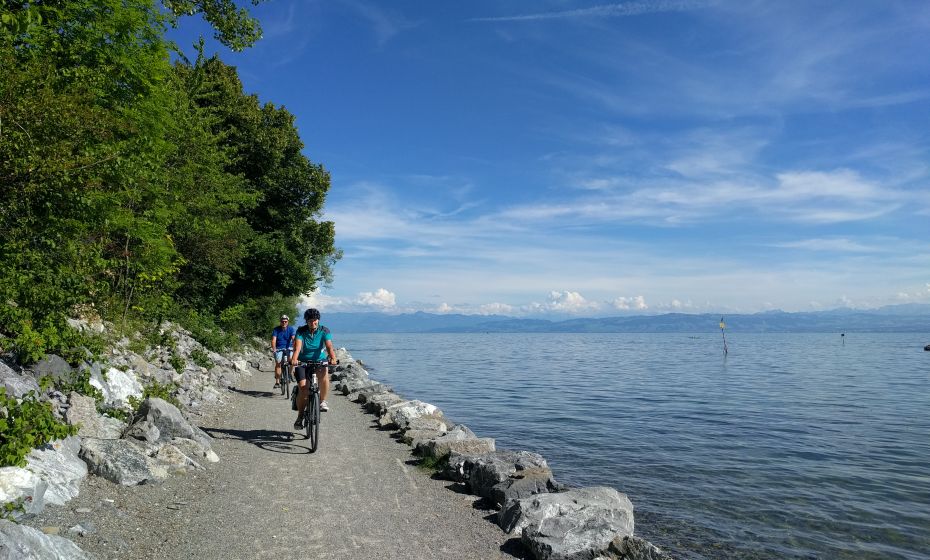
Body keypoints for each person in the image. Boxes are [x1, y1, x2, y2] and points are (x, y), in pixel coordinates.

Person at [291, 308, 337, 428]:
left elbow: (329, 346)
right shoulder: (301, 331)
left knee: (324, 373)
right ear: (306, 321)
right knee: (303, 388)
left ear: (318, 320)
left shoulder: (324, 330)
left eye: (315, 320)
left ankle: (322, 401)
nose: (313, 323)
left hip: (319, 361)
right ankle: (300, 416)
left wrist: (332, 357)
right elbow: (297, 347)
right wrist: (294, 360)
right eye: (310, 320)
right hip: (303, 362)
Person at [270, 314, 296, 390]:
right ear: (280, 322)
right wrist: (274, 349)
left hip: (289, 348)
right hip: (279, 348)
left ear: (288, 322)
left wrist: (295, 346)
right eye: (282, 321)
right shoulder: (276, 329)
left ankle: (290, 373)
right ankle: (277, 381)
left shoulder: (291, 329)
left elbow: (293, 338)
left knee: (292, 360)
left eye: (285, 321)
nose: (284, 323)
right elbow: (274, 340)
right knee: (278, 363)